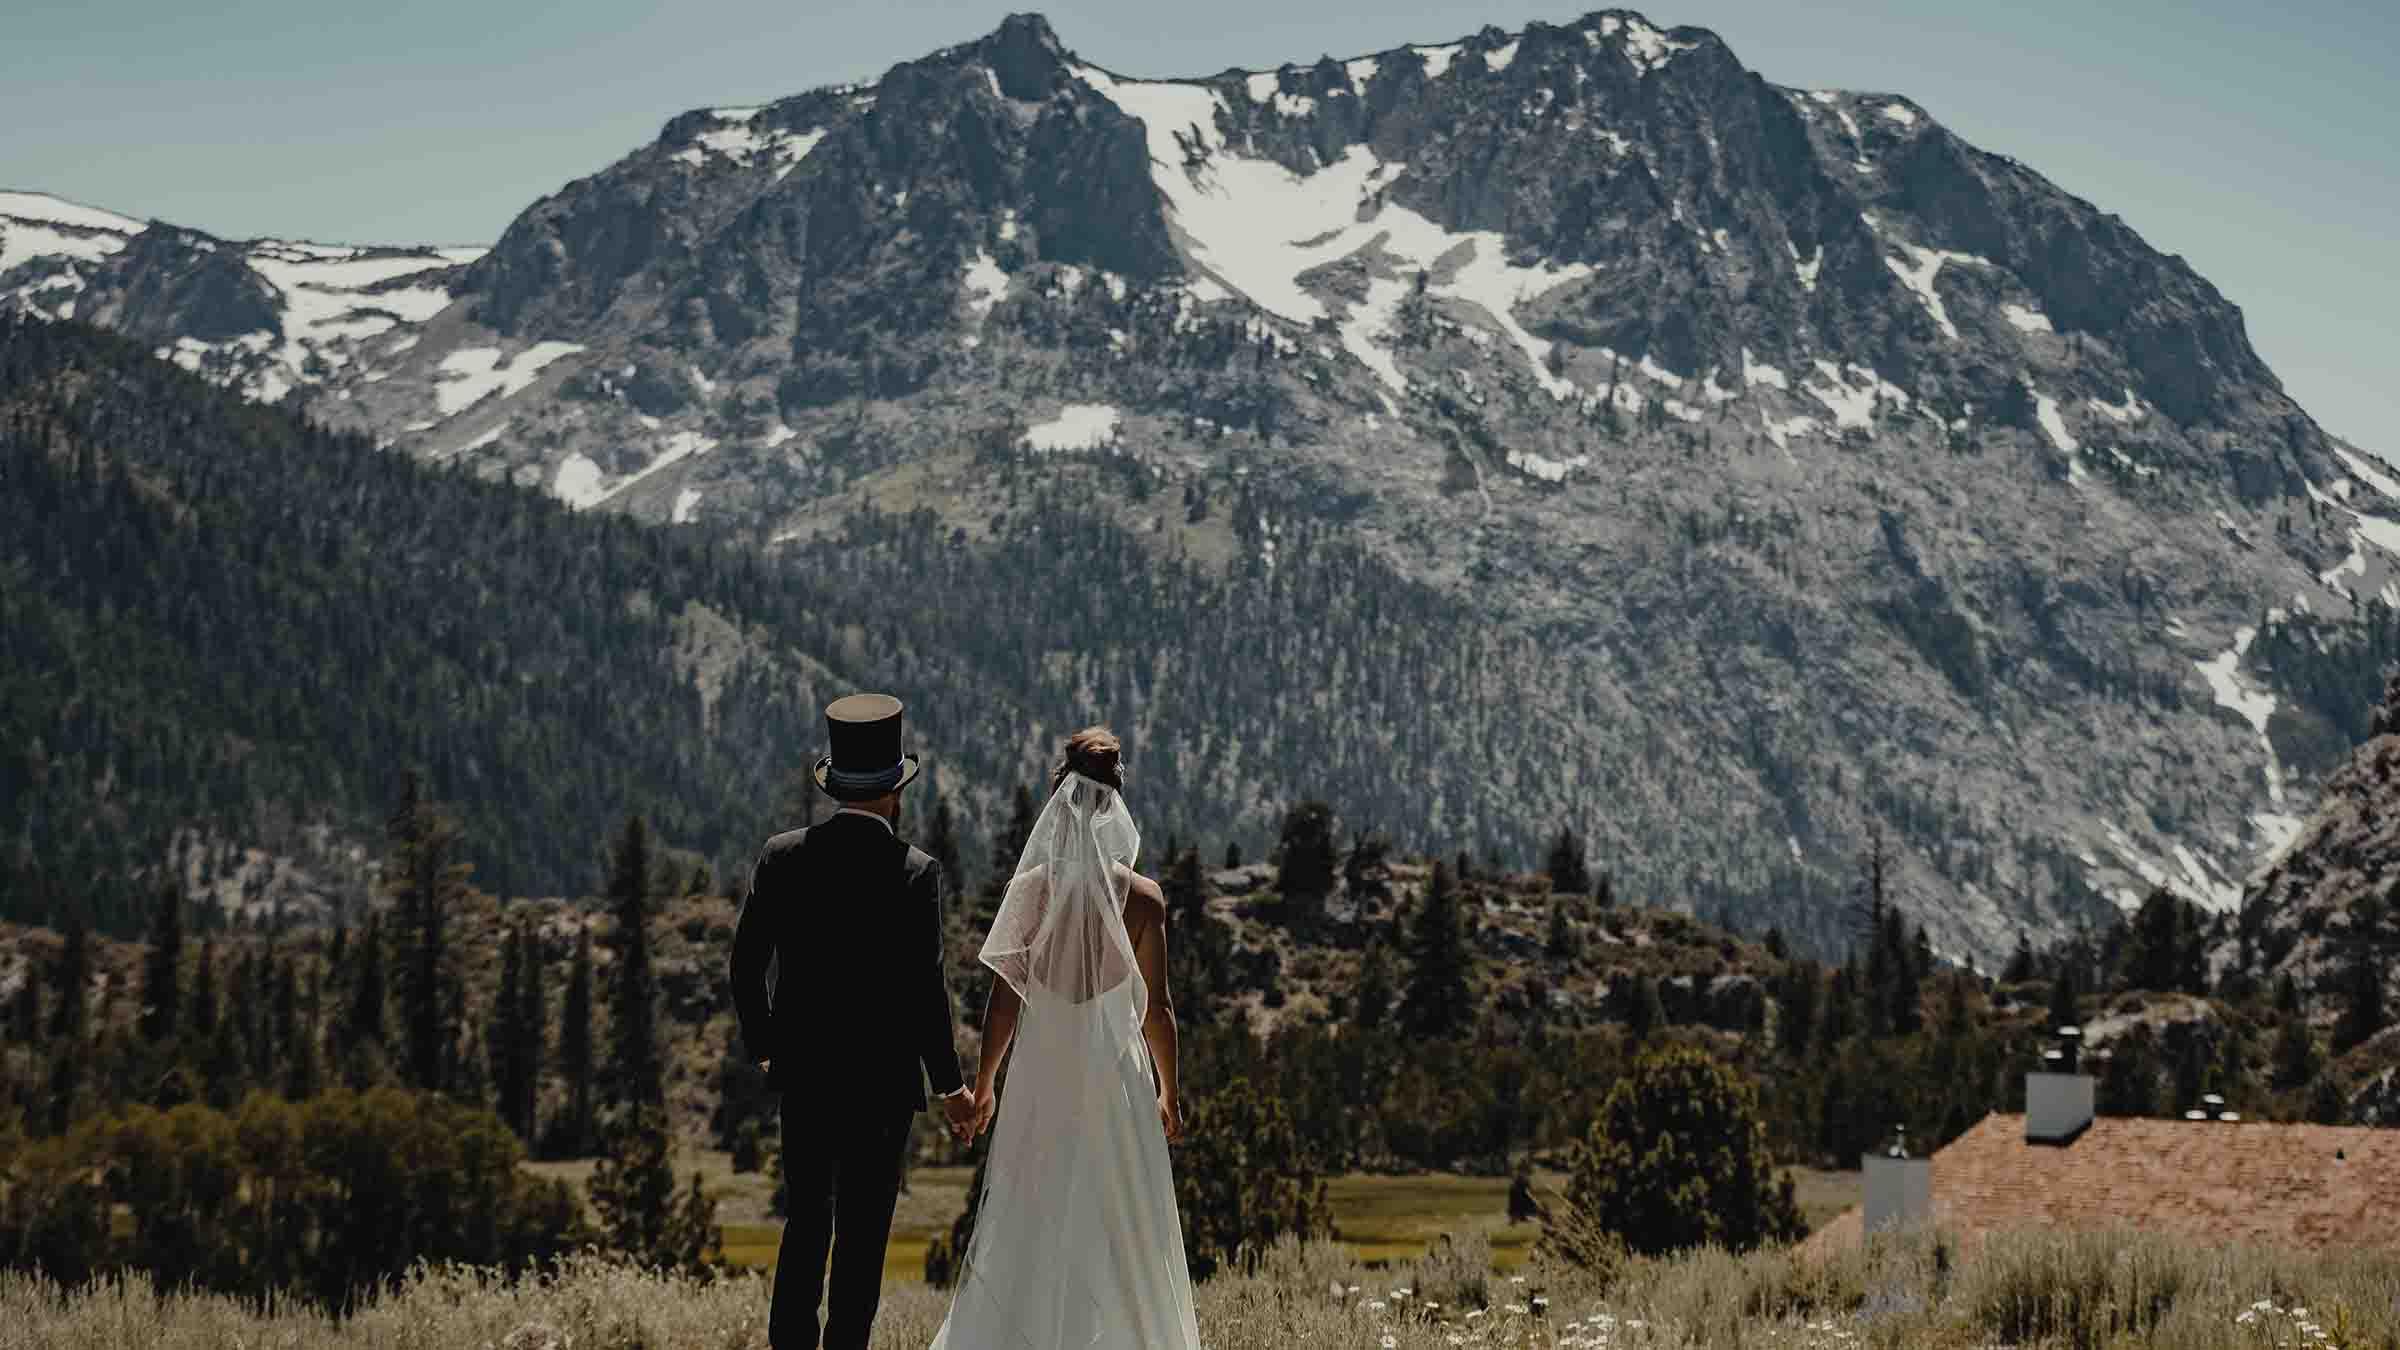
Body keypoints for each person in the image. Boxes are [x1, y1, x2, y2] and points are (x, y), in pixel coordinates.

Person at [930, 726, 1202, 1350]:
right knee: (1121, 1217)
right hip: (1116, 1077)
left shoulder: (1031, 891)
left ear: (1060, 800)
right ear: (1114, 804)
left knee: (1033, 1210)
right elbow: (1157, 1009)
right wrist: (1169, 1092)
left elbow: (1007, 998)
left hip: (1043, 1074)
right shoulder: (1144, 900)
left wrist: (986, 1084)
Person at [730, 693, 979, 1350]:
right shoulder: (915, 873)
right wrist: (953, 1089)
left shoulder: (782, 857)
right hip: (883, 1085)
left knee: (806, 1220)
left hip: (805, 1075)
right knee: (865, 1232)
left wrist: (765, 1048)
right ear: (896, 791)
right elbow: (928, 991)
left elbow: (745, 965)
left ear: (834, 784)